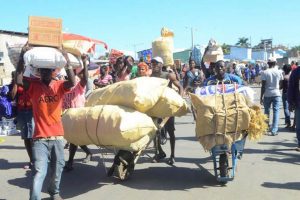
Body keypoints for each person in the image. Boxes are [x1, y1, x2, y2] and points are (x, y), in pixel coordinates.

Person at [16, 45, 76, 200]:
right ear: (39, 73)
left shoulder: (59, 86)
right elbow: (18, 79)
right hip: (40, 139)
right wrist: (22, 56)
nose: (45, 73)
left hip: (57, 137)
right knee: (39, 171)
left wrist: (66, 57)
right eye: (42, 71)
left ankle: (54, 192)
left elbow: (72, 81)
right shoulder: (34, 86)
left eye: (48, 70)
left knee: (58, 169)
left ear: (53, 72)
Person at [150, 56, 183, 165]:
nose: (154, 65)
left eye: (156, 63)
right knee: (155, 130)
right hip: (156, 107)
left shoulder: (167, 75)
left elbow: (180, 87)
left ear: (161, 65)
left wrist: (179, 99)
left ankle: (172, 155)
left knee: (170, 131)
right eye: (152, 63)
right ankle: (159, 152)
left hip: (167, 107)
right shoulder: (151, 77)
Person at [63, 55, 93, 172]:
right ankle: (88, 153)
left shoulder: (79, 86)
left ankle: (70, 162)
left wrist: (85, 63)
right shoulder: (64, 86)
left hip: (78, 115)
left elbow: (85, 78)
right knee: (75, 139)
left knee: (73, 140)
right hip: (67, 116)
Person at [9, 71, 35, 169]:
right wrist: (16, 82)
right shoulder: (16, 82)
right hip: (21, 112)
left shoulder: (31, 79)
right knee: (26, 138)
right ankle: (32, 160)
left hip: (32, 111)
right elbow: (12, 96)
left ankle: (36, 160)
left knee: (32, 137)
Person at [260, 57, 283, 136]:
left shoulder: (264, 72)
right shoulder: (279, 72)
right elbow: (281, 83)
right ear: (275, 63)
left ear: (268, 63)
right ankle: (274, 130)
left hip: (267, 93)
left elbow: (263, 86)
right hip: (276, 93)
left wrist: (261, 97)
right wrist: (277, 88)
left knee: (266, 112)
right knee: (276, 111)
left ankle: (266, 128)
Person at [287, 65, 300, 151]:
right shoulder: (296, 72)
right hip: (299, 104)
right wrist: (290, 102)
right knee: (299, 126)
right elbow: (291, 87)